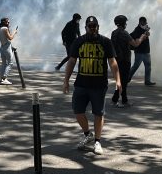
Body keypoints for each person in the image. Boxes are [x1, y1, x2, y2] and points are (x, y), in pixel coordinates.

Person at [62, 16, 121, 155]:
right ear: (86, 27)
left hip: (99, 85)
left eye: (95, 25)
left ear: (98, 27)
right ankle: (87, 134)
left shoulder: (105, 42)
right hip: (81, 84)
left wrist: (118, 80)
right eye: (90, 26)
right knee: (78, 111)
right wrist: (66, 80)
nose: (92, 28)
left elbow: (112, 62)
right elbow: (71, 61)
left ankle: (97, 141)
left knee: (98, 114)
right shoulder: (79, 41)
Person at [110, 15, 146, 107]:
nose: (126, 24)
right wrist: (142, 38)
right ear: (123, 23)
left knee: (120, 80)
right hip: (124, 60)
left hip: (116, 60)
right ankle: (124, 101)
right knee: (124, 81)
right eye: (125, 22)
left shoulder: (113, 33)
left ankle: (115, 99)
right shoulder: (124, 33)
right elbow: (135, 44)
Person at [129, 17, 154, 85]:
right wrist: (145, 33)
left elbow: (146, 36)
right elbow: (138, 40)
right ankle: (127, 78)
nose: (146, 24)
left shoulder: (143, 29)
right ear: (141, 22)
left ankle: (147, 81)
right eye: (144, 22)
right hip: (139, 52)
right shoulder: (137, 30)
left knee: (148, 66)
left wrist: (147, 33)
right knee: (135, 66)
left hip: (146, 51)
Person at [0, 17, 17, 85]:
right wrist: (14, 32)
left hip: (2, 47)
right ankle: (4, 78)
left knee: (4, 63)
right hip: (6, 47)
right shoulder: (5, 28)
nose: (9, 23)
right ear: (4, 22)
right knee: (10, 63)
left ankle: (2, 79)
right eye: (7, 22)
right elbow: (10, 38)